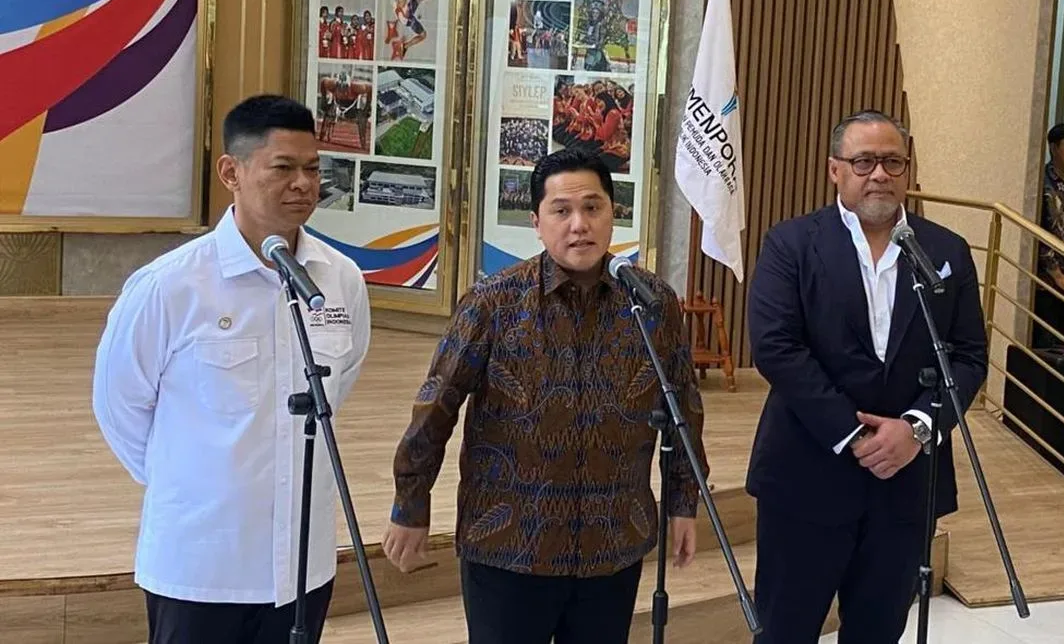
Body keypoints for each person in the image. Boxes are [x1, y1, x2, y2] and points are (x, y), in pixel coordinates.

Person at [381, 149, 709, 643]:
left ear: (613, 213)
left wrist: (683, 500)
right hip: (509, 545)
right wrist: (411, 504)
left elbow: (683, 403)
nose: (579, 225)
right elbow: (436, 407)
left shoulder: (651, 302)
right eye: (561, 211)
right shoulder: (493, 303)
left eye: (593, 207)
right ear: (536, 222)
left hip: (611, 542)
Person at [92, 95, 371, 644]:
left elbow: (339, 382)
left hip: (301, 566)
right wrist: (190, 482)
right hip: (201, 566)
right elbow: (118, 403)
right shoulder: (170, 285)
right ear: (231, 173)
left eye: (313, 169)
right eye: (283, 168)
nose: (303, 185)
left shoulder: (340, 279)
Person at [746, 110, 987, 643]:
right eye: (863, 162)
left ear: (907, 169)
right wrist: (854, 434)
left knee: (878, 632)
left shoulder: (945, 251)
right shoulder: (791, 244)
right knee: (785, 631)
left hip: (905, 482)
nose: (879, 174)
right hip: (807, 474)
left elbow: (968, 356)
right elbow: (777, 348)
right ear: (835, 169)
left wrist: (917, 428)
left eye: (893, 162)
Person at [1033, 123, 1064, 353]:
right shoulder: (1041, 184)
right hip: (1046, 282)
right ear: (1054, 148)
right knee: (1048, 350)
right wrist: (1057, 275)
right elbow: (1038, 230)